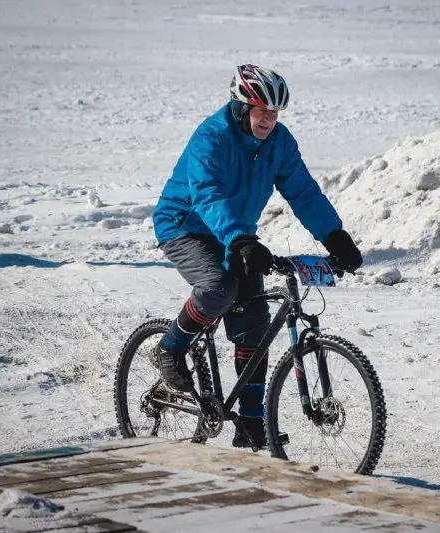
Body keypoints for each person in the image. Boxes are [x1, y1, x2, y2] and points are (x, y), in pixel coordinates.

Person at [152, 64, 362, 448]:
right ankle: (170, 348)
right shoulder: (211, 138)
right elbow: (208, 194)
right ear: (241, 105)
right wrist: (240, 240)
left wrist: (336, 236)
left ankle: (250, 423)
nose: (269, 119)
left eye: (275, 112)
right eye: (261, 110)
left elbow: (303, 192)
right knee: (218, 288)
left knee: (253, 324)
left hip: (236, 235)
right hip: (185, 225)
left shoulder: (279, 142)